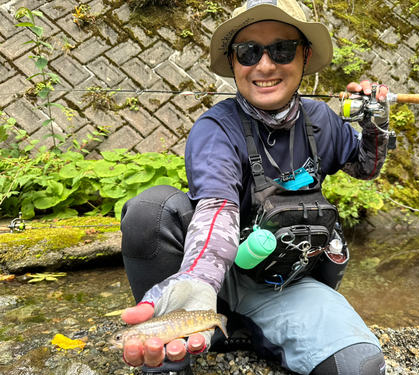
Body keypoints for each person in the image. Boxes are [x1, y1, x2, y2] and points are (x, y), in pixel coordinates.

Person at [119, 0, 391, 374]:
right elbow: (218, 209)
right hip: (212, 281)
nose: (265, 65)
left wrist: (376, 126)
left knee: (359, 366)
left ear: (305, 55)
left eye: (282, 49)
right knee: (151, 211)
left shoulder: (321, 120)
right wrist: (197, 283)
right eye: (248, 52)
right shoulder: (215, 128)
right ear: (233, 62)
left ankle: (246, 328)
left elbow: (365, 167)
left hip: (284, 282)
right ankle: (178, 345)